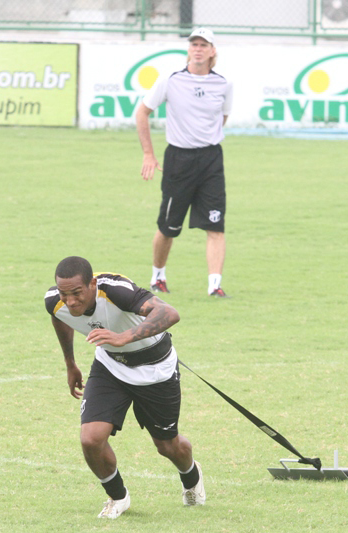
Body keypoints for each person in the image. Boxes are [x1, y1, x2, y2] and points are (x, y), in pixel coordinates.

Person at [45, 256, 205, 519]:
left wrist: (123, 337)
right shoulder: (55, 300)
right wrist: (70, 363)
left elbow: (169, 313)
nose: (70, 301)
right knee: (91, 439)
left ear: (92, 284)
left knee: (167, 447)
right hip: (111, 368)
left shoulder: (116, 290)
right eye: (64, 293)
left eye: (77, 293)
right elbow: (59, 316)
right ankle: (117, 497)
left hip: (156, 371)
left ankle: (191, 476)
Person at [135, 27, 233, 297]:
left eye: (204, 44)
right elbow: (142, 113)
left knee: (215, 224)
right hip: (179, 159)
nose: (198, 48)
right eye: (194, 44)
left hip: (211, 159)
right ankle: (158, 276)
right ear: (188, 49)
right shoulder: (171, 80)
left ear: (213, 51)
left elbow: (222, 118)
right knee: (169, 227)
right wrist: (148, 154)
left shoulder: (224, 83)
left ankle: (215, 285)